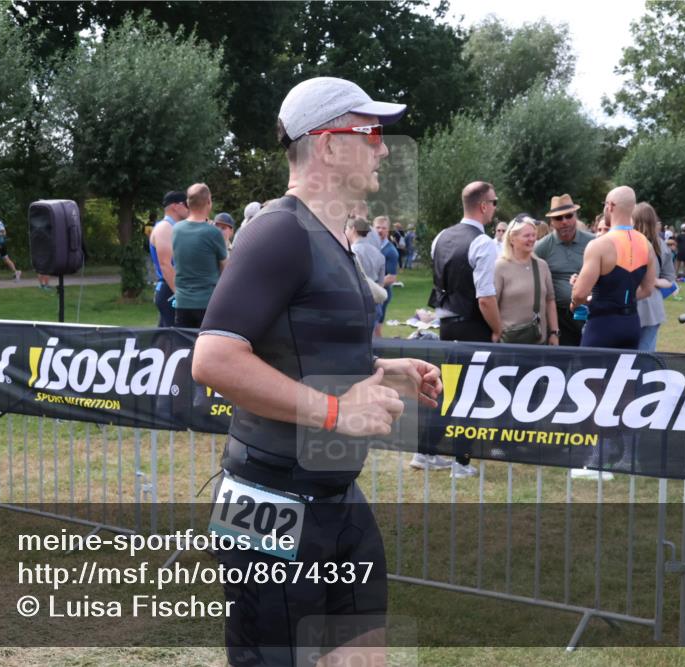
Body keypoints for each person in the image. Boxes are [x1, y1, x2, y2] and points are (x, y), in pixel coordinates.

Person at [192, 76, 442, 667]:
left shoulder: (333, 236)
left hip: (334, 495)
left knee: (364, 654)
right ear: (328, 144)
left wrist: (382, 368)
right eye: (372, 132)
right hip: (268, 500)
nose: (383, 147)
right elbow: (214, 358)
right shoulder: (279, 230)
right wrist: (337, 410)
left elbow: (299, 347)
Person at [425, 181, 501, 477]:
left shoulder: (441, 237)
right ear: (483, 206)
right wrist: (497, 328)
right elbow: (485, 298)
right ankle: (461, 461)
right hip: (473, 327)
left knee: (448, 392)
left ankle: (426, 452)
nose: (496, 207)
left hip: (446, 324)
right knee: (469, 396)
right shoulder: (483, 244)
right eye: (494, 202)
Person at [571, 186, 657, 350]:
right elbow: (647, 290)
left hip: (602, 324)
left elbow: (580, 293)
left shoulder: (599, 245)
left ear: (610, 206)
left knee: (588, 374)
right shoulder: (646, 244)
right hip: (631, 323)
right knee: (624, 375)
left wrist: (575, 303)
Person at [534, 194, 593, 346]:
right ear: (551, 222)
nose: (565, 222)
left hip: (591, 313)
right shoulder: (542, 247)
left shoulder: (593, 242)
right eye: (559, 218)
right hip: (561, 317)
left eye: (568, 216)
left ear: (576, 216)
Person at [494, 216, 559, 346]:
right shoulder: (500, 266)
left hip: (538, 341)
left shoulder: (542, 265)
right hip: (509, 342)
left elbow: (550, 301)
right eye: (526, 236)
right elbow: (492, 303)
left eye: (533, 235)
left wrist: (554, 332)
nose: (532, 239)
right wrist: (496, 330)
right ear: (512, 238)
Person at [171, 183, 227, 327]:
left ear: (188, 204)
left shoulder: (176, 229)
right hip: (207, 302)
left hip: (182, 302)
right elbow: (225, 268)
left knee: (183, 347)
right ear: (209, 202)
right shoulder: (213, 232)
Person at [633, 203, 676, 352]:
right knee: (644, 355)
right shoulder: (660, 245)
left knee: (640, 356)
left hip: (645, 307)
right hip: (647, 308)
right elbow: (669, 280)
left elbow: (669, 280)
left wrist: (652, 280)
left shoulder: (660, 246)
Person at [150, 191, 189, 327]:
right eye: (186, 204)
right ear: (175, 206)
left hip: (171, 289)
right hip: (170, 290)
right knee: (177, 339)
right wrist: (181, 295)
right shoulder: (165, 228)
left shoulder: (174, 227)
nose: (189, 209)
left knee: (166, 338)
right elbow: (165, 264)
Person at [372, 215, 399, 337]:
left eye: (383, 228)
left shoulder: (390, 251)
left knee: (376, 327)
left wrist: (373, 286)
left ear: (388, 230)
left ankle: (378, 353)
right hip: (371, 292)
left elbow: (392, 277)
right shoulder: (371, 246)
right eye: (377, 227)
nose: (380, 230)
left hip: (382, 294)